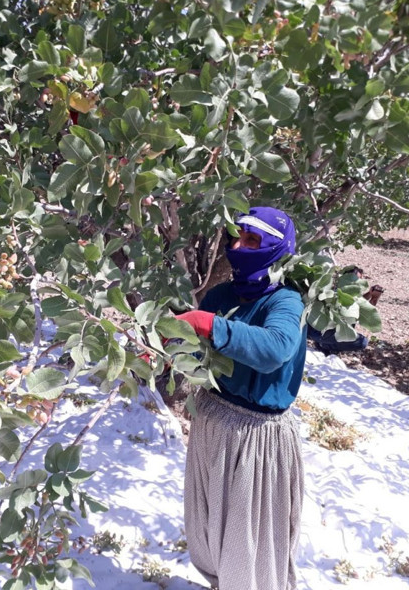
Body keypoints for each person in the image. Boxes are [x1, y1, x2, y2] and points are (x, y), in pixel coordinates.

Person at [174, 206, 306, 590]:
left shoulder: (285, 302)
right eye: (237, 236)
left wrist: (206, 323)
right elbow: (195, 349)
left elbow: (274, 349)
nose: (238, 246)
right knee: (209, 525)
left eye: (252, 240)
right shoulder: (220, 294)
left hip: (257, 437)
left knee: (252, 541)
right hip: (213, 419)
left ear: (277, 250)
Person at [306, 267, 384, 355]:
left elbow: (356, 301)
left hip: (313, 330)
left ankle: (325, 343)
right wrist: (374, 298)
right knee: (362, 342)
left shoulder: (334, 289)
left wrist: (370, 294)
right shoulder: (339, 296)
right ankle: (325, 345)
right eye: (358, 280)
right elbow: (365, 313)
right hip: (320, 333)